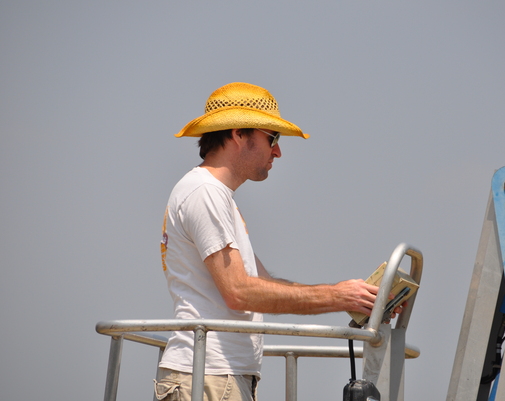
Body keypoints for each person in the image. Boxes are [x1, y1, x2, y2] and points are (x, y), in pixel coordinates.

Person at [154, 82, 401, 401]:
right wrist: (337, 296)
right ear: (238, 134)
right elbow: (239, 291)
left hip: (215, 376)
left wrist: (360, 299)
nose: (278, 151)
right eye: (272, 138)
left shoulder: (215, 196)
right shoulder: (206, 192)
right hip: (206, 376)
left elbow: (262, 285)